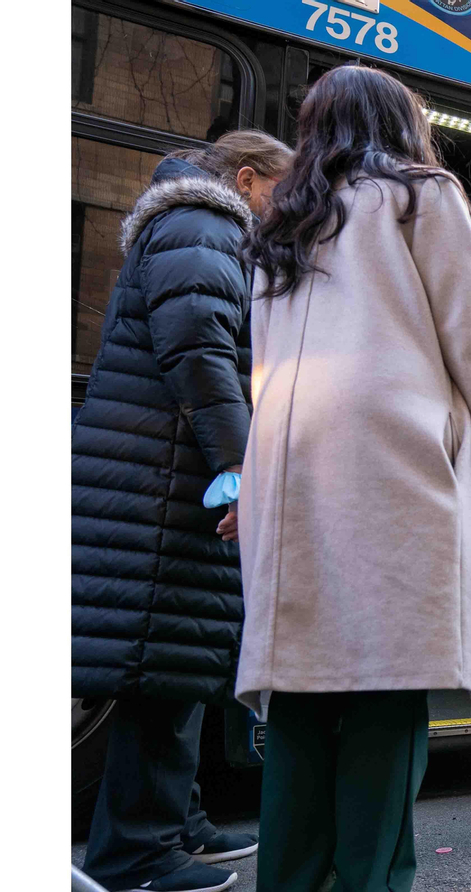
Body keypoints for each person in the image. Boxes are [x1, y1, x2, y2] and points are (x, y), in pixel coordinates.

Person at [238, 65, 471, 891]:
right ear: (397, 122)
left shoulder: (281, 227)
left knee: (302, 691)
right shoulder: (422, 196)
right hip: (392, 461)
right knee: (387, 687)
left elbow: (263, 371)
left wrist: (253, 481)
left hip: (289, 464)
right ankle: (374, 881)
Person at [72, 130, 292, 892]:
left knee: (179, 658)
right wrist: (241, 464)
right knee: (159, 662)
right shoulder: (204, 224)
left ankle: (175, 820)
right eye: (280, 194)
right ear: (246, 179)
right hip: (161, 485)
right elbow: (199, 350)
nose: (285, 212)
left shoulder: (197, 226)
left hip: (166, 480)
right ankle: (135, 854)